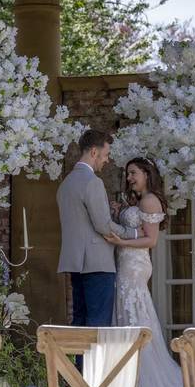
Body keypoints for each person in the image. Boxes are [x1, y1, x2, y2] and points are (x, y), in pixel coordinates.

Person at [104, 157, 185, 387]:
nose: (129, 178)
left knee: (133, 316)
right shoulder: (140, 202)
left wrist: (121, 239)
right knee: (130, 314)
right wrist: (119, 216)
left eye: (133, 173)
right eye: (128, 174)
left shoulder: (150, 201)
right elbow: (138, 229)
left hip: (135, 265)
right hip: (127, 261)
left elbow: (150, 240)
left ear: (147, 174)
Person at [56, 129, 137, 328]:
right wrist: (133, 233)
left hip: (76, 263)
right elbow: (103, 226)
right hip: (97, 264)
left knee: (80, 321)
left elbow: (81, 220)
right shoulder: (93, 182)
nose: (106, 160)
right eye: (106, 154)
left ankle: (79, 361)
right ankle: (94, 361)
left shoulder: (65, 184)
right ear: (94, 152)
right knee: (98, 325)